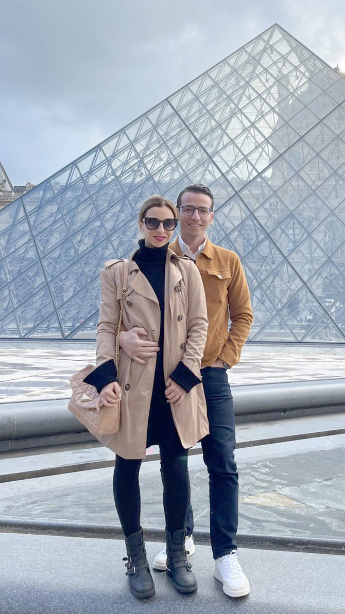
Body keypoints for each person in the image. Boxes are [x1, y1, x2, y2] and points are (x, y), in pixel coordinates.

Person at [119, 183, 253, 598]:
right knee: (175, 458)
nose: (195, 217)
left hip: (208, 376)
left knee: (222, 462)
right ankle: (184, 540)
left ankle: (226, 554)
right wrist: (123, 339)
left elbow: (243, 316)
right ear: (176, 214)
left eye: (203, 211)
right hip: (157, 378)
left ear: (212, 216)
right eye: (188, 210)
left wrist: (222, 360)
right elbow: (115, 317)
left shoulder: (227, 261)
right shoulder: (153, 260)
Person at [85, 195, 209, 600]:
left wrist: (186, 377)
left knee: (176, 470)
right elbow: (106, 327)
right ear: (140, 223)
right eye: (153, 222)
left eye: (168, 224)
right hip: (132, 387)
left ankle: (177, 556)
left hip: (173, 387)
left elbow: (199, 326)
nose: (161, 230)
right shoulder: (118, 273)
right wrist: (105, 376)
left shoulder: (186, 270)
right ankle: (136, 559)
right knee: (128, 468)